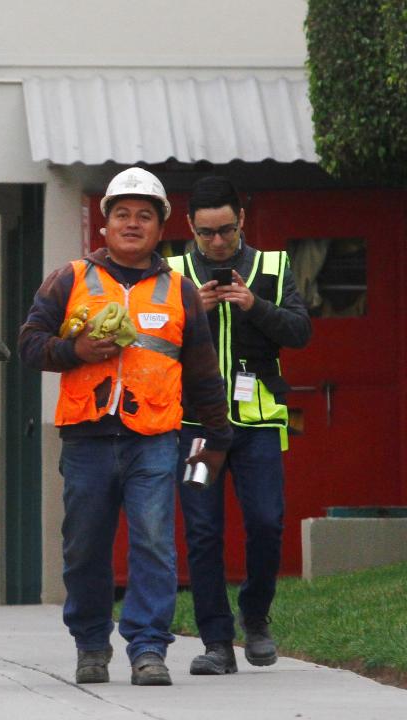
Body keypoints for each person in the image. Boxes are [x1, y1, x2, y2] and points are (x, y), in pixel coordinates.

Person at [18, 166, 232, 687]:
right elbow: (28, 344)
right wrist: (75, 350)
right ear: (104, 224)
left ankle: (148, 649)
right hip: (87, 438)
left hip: (155, 439)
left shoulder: (180, 291)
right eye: (121, 215)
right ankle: (91, 643)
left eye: (144, 216)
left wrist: (218, 436)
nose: (132, 224)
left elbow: (203, 372)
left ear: (161, 228)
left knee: (155, 543)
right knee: (84, 547)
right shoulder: (69, 279)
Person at [169, 176, 312, 675]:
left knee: (267, 522)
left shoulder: (273, 266)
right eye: (205, 233)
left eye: (225, 230)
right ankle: (215, 640)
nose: (216, 243)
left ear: (242, 220)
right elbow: (150, 342)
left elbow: (300, 332)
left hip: (258, 426)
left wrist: (256, 306)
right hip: (197, 428)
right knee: (202, 531)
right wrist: (191, 311)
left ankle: (256, 617)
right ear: (189, 226)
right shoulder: (173, 273)